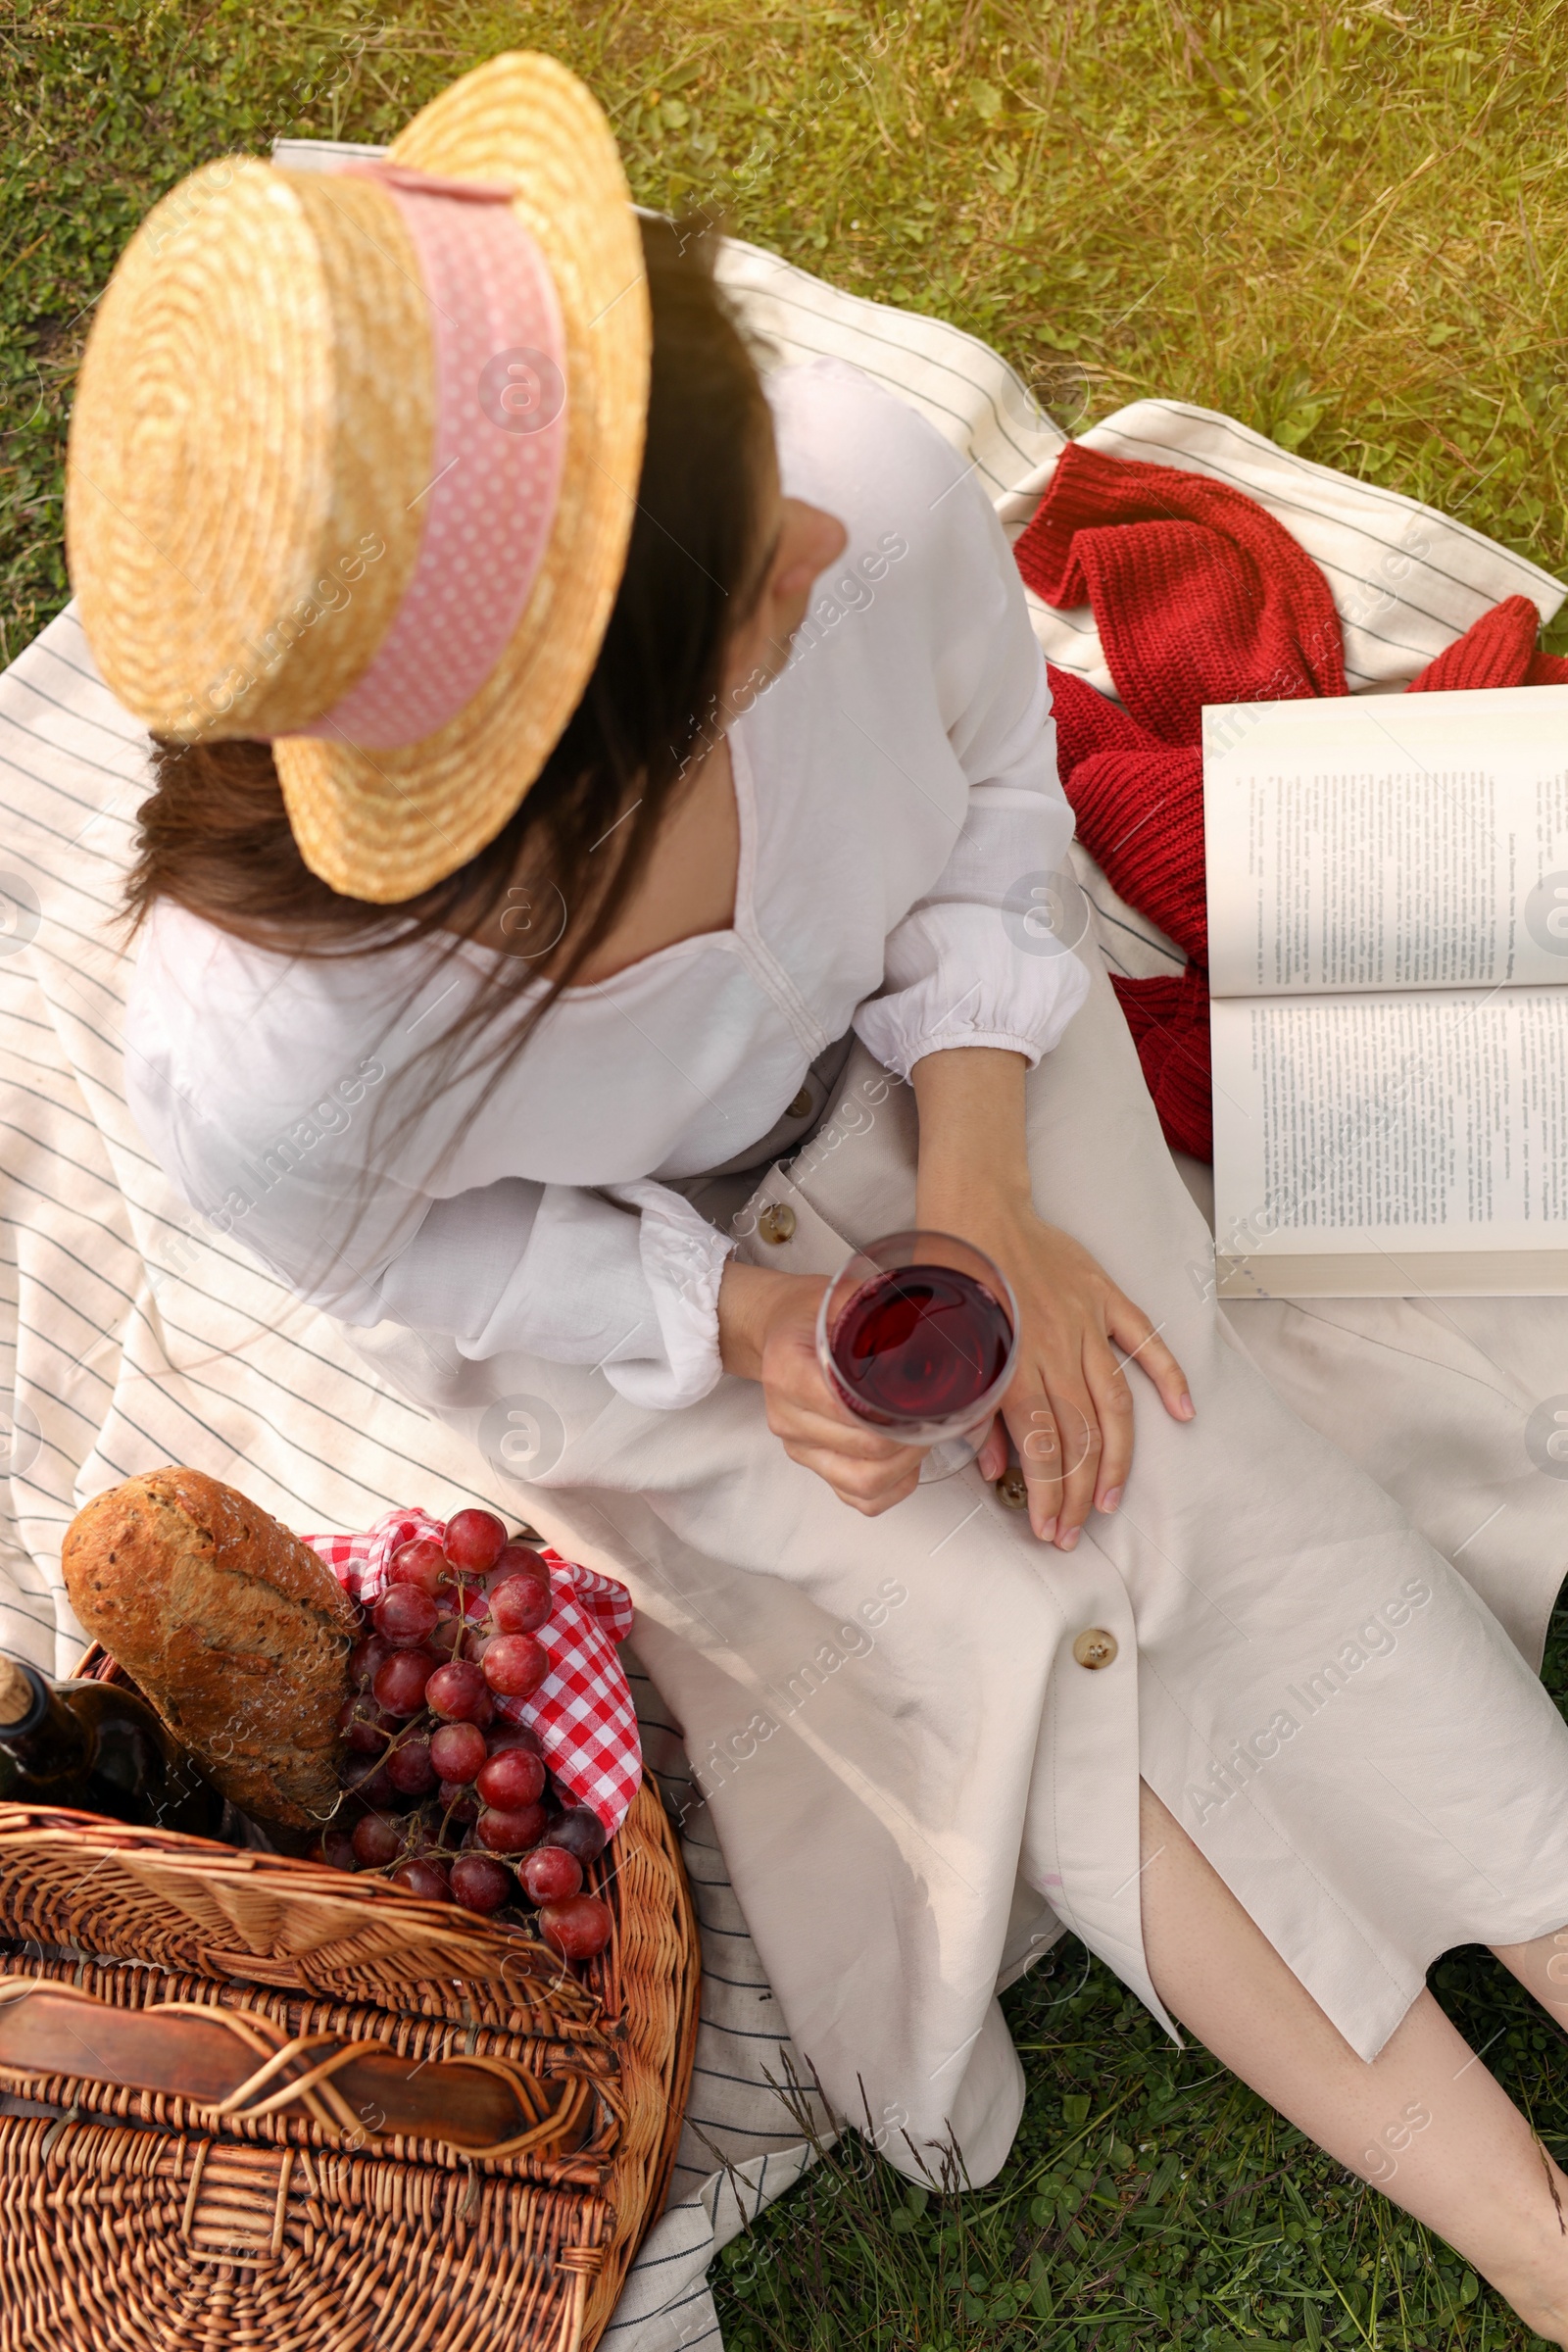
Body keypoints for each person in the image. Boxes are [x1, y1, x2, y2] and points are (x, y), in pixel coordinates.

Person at [66, 49, 1568, 2341]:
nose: (829, 545)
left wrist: (984, 1175)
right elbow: (424, 1268)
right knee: (996, 1644)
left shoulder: (850, 480)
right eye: (752, 596)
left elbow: (991, 803)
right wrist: (745, 1330)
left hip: (959, 1054)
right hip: (647, 1319)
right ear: (555, 810)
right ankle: (1531, 2238)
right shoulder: (268, 1055)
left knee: (1186, 1469)